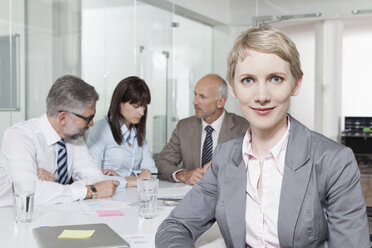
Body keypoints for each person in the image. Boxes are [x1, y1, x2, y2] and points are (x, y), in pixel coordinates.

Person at [155, 27, 369, 247]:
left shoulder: (334, 161)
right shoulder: (225, 157)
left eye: (276, 79)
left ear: (296, 84)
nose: (261, 96)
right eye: (248, 80)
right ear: (233, 88)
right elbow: (175, 226)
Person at [0, 75, 119, 207]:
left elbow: (96, 177)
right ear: (63, 118)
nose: (91, 124)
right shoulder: (19, 136)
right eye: (88, 118)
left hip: (53, 214)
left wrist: (51, 187)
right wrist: (89, 190)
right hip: (12, 218)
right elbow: (28, 193)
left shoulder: (74, 137)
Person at [156, 74, 248, 185]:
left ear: (220, 102)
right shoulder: (184, 127)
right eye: (195, 95)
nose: (194, 102)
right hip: (192, 195)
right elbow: (162, 162)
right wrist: (184, 175)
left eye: (202, 97)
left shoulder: (243, 128)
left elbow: (253, 168)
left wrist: (222, 170)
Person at [87, 76, 157, 189]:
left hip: (132, 196)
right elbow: (91, 175)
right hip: (107, 198)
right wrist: (129, 180)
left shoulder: (138, 133)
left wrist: (125, 178)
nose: (142, 112)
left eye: (144, 107)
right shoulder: (102, 128)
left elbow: (152, 172)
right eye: (136, 106)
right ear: (119, 103)